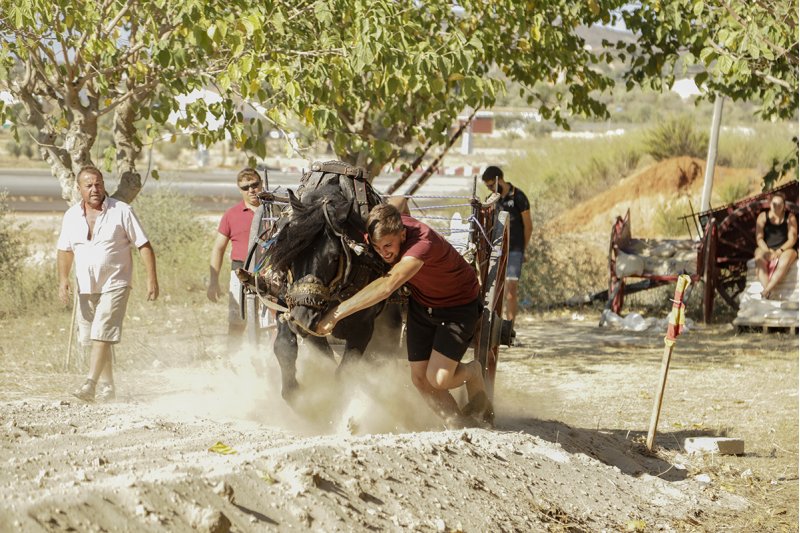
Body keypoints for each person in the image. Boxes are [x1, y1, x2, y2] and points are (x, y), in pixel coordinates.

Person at [315, 202, 493, 426]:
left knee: (439, 378)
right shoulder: (387, 227)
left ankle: (473, 372)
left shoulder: (422, 245)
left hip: (457, 305)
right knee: (419, 378)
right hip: (422, 304)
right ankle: (455, 421)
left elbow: (387, 286)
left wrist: (336, 313)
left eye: (388, 245)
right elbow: (398, 200)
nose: (384, 253)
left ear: (402, 233)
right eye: (378, 248)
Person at [57, 166, 159, 402]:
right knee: (94, 337)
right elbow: (64, 250)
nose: (95, 189)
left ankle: (90, 384)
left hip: (116, 281)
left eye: (98, 184)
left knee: (101, 332)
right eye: (89, 185)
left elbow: (144, 245)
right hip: (86, 285)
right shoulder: (71, 216)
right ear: (79, 188)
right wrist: (63, 280)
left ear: (104, 184)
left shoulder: (122, 211)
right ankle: (108, 386)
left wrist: (151, 278)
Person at [207, 168, 263, 343]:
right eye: (245, 187)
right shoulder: (231, 215)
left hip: (271, 272)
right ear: (240, 190)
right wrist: (213, 281)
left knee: (271, 321)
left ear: (262, 184)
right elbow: (218, 248)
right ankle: (233, 359)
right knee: (237, 320)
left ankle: (270, 360)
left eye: (254, 185)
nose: (251, 190)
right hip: (240, 271)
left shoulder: (274, 211)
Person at [481, 166, 532, 343]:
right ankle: (494, 328)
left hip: (515, 250)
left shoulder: (519, 197)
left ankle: (509, 329)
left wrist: (523, 249)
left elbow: (528, 225)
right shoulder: (492, 200)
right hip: (497, 251)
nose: (489, 190)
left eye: (490, 186)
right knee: (493, 292)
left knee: (511, 290)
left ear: (498, 180)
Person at [754, 192, 798, 299]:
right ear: (770, 204)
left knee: (784, 262)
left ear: (784, 206)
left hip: (785, 248)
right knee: (759, 258)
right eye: (774, 204)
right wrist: (767, 251)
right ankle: (768, 292)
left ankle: (767, 291)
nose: (776, 207)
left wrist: (779, 251)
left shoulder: (790, 217)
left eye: (779, 204)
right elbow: (759, 238)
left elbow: (792, 239)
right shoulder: (763, 216)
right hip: (766, 248)